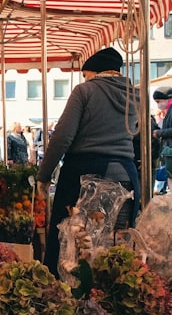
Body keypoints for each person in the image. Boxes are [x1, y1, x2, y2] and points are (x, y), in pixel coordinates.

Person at [37, 47, 140, 279]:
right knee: (115, 247)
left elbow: (62, 137)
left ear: (92, 72)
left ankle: (71, 298)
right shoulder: (136, 95)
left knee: (74, 247)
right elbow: (140, 139)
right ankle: (112, 297)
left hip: (85, 176)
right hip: (126, 176)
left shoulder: (85, 91)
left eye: (86, 75)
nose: (85, 79)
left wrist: (44, 176)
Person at [154, 85, 172, 194]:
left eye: (158, 101)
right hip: (171, 151)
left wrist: (159, 133)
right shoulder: (171, 109)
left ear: (166, 99)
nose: (158, 104)